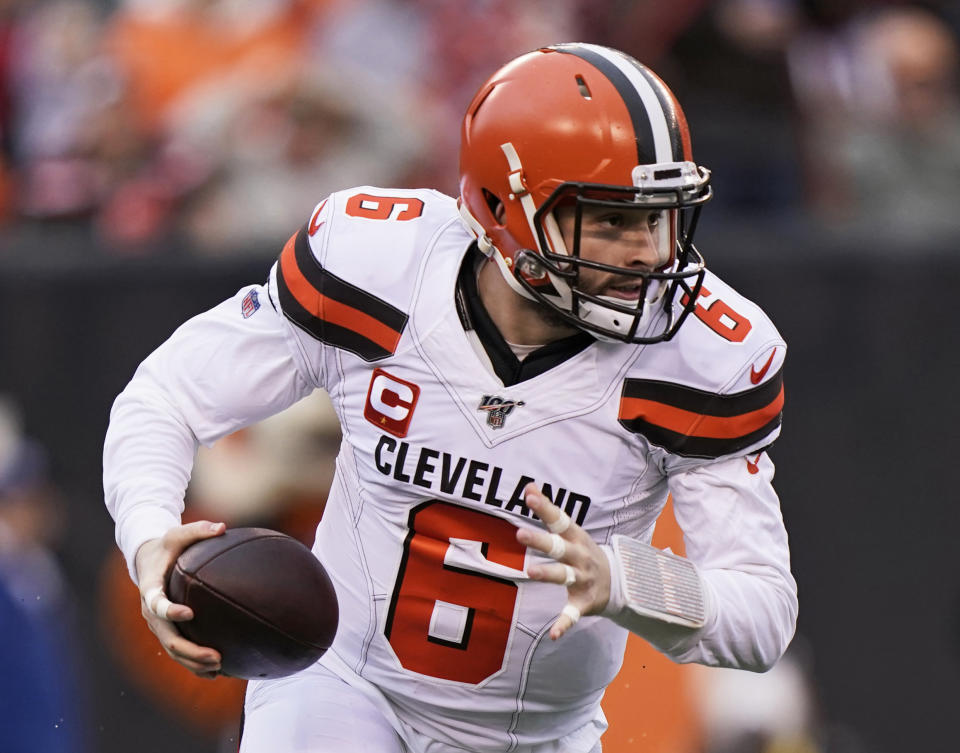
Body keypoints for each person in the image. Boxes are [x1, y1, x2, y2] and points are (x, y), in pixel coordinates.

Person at [103, 43, 797, 753]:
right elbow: (165, 397)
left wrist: (624, 578)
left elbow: (764, 614)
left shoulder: (702, 356)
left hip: (538, 736)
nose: (649, 252)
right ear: (505, 208)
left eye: (660, 218)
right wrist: (151, 537)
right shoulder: (378, 267)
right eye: (612, 219)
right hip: (344, 685)